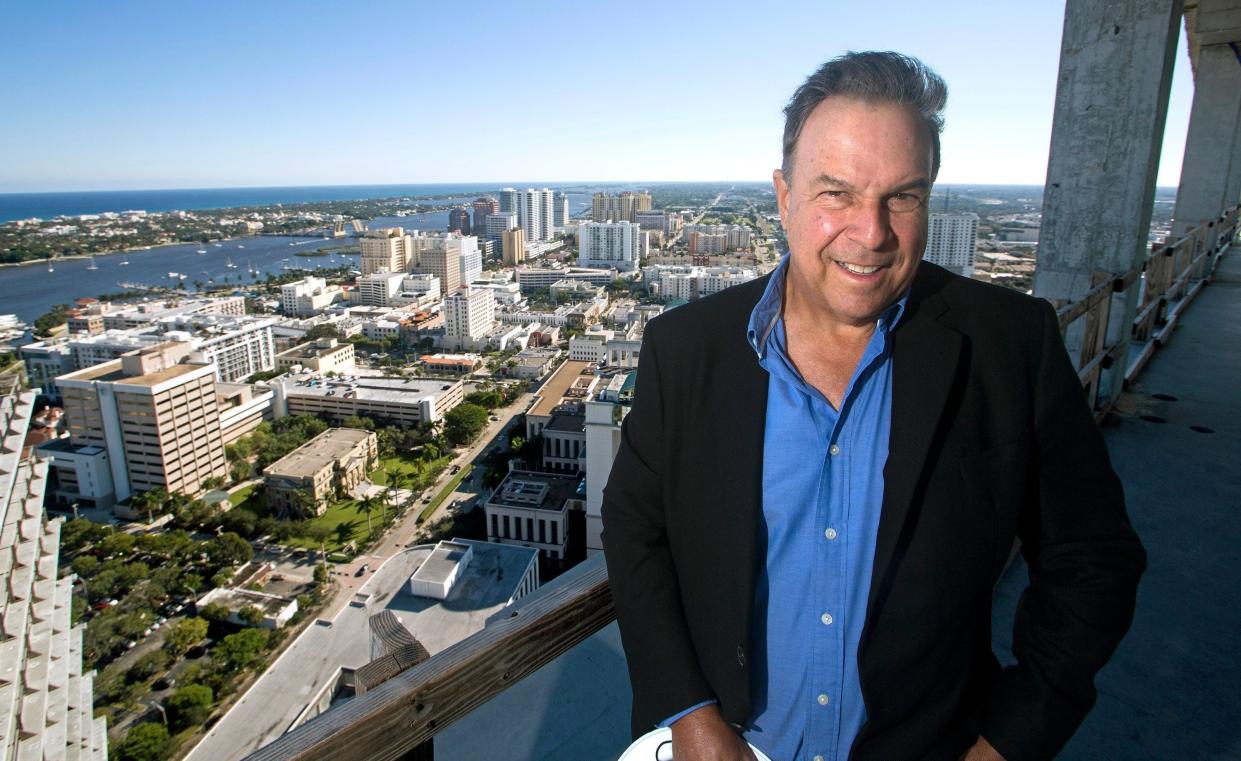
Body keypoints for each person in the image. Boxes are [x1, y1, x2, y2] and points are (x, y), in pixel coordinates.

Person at [600, 51, 1145, 761]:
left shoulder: (1008, 343)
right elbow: (634, 526)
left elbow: (1091, 556)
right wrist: (691, 712)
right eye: (835, 193)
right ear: (784, 196)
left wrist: (1008, 741)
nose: (871, 232)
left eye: (902, 197)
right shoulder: (685, 347)